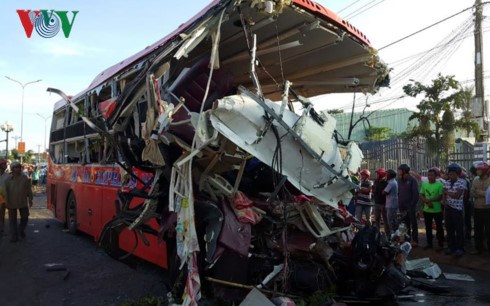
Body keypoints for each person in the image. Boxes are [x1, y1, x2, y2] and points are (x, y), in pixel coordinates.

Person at [5, 161, 33, 242]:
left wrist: (30, 199)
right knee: (12, 220)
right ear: (12, 169)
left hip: (22, 202)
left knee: (25, 218)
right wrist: (6, 202)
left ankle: (20, 230)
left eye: (19, 167)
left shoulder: (24, 178)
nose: (17, 169)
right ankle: (14, 236)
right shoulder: (8, 180)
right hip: (11, 202)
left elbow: (29, 190)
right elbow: (6, 192)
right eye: (15, 167)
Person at [442, 163, 467, 257]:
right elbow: (444, 194)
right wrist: (444, 202)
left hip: (457, 209)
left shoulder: (462, 182)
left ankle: (460, 248)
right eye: (450, 173)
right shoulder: (447, 182)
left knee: (459, 229)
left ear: (458, 173)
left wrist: (447, 192)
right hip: (448, 208)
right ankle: (451, 247)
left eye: (453, 173)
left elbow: (457, 196)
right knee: (449, 228)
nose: (451, 175)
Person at [419, 168, 444, 250]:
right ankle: (429, 243)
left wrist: (429, 200)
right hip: (427, 210)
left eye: (432, 175)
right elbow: (421, 195)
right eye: (428, 175)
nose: (430, 176)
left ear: (436, 176)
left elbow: (440, 197)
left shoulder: (439, 185)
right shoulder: (424, 184)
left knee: (439, 227)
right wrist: (426, 202)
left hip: (437, 210)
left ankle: (440, 243)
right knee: (428, 227)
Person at [470, 161, 490, 254]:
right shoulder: (475, 180)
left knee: (488, 230)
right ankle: (478, 248)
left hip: (488, 209)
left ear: (484, 171)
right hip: (477, 208)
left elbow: (488, 195)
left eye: (479, 170)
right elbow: (472, 193)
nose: (477, 171)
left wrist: (479, 192)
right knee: (478, 230)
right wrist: (484, 193)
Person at [397, 163, 420, 247]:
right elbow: (398, 193)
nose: (398, 172)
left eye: (400, 170)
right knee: (405, 224)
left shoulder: (412, 180)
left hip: (410, 206)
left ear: (404, 171)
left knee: (413, 223)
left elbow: (416, 194)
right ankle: (407, 239)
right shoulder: (399, 180)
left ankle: (415, 240)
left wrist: (412, 205)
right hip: (402, 206)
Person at [373, 168, 389, 235]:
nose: (376, 175)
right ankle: (377, 233)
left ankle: (387, 233)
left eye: (377, 174)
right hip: (377, 203)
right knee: (377, 219)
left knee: (385, 219)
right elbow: (374, 190)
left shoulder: (386, 182)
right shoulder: (376, 181)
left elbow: (384, 193)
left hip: (383, 204)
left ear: (381, 174)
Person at [383, 169, 398, 233]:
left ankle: (393, 234)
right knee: (393, 219)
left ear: (390, 175)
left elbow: (384, 192)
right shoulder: (393, 181)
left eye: (387, 174)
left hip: (391, 204)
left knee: (391, 220)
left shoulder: (391, 183)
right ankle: (394, 234)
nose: (386, 175)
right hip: (392, 203)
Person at [0, 159, 10, 234]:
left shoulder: (7, 176)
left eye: (6, 164)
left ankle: (2, 225)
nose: (6, 165)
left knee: (2, 211)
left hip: (3, 197)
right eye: (4, 164)